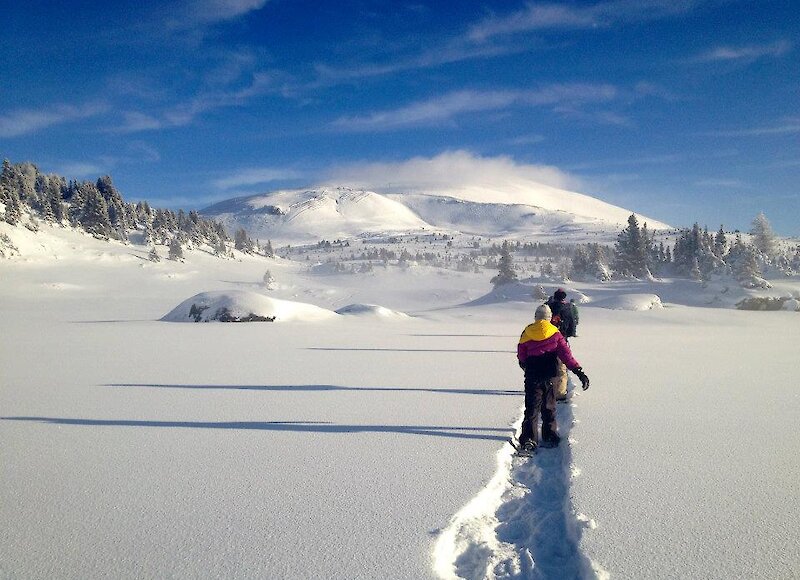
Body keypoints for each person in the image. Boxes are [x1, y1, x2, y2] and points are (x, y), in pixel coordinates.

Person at [516, 304, 589, 453]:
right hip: (550, 375)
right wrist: (579, 371)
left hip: (532, 376)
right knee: (549, 407)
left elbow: (521, 354)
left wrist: (525, 366)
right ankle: (549, 435)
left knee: (532, 408)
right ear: (549, 318)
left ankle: (529, 439)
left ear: (536, 316)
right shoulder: (555, 334)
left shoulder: (527, 332)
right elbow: (566, 355)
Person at [546, 288, 578, 401]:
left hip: (546, 340)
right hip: (561, 339)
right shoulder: (568, 308)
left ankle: (545, 389)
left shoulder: (547, 306)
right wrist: (570, 334)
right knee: (561, 367)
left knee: (545, 365)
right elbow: (572, 323)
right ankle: (559, 393)